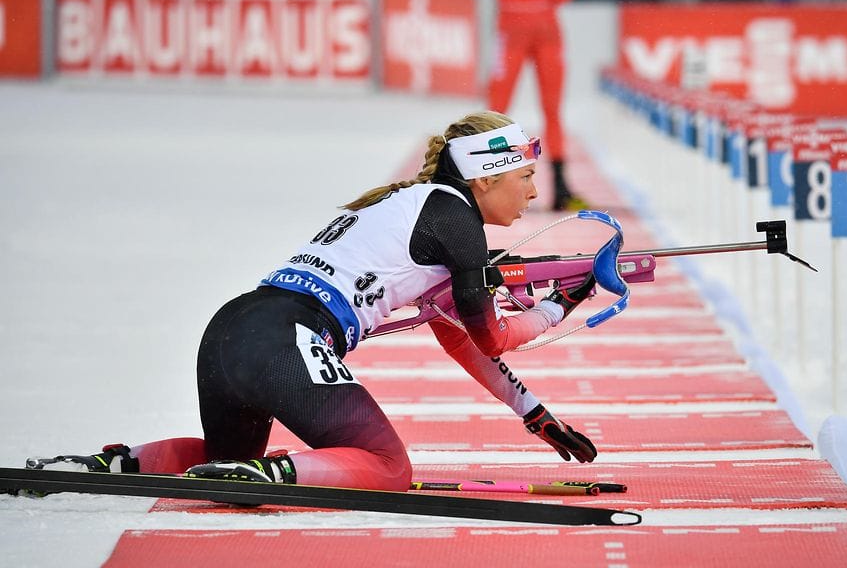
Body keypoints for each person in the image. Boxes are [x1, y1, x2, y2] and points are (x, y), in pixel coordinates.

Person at [28, 111, 598, 492]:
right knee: (390, 469)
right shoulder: (457, 224)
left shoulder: (416, 206)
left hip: (233, 327)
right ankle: (269, 476)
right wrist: (558, 307)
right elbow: (491, 337)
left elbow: (460, 340)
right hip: (286, 340)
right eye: (524, 176)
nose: (532, 192)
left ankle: (115, 462)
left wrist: (533, 414)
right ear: (484, 176)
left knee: (223, 461)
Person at [488, 0, 588, 211]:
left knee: (547, 109)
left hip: (532, 23)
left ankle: (560, 187)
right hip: (525, 22)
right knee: (497, 109)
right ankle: (485, 179)